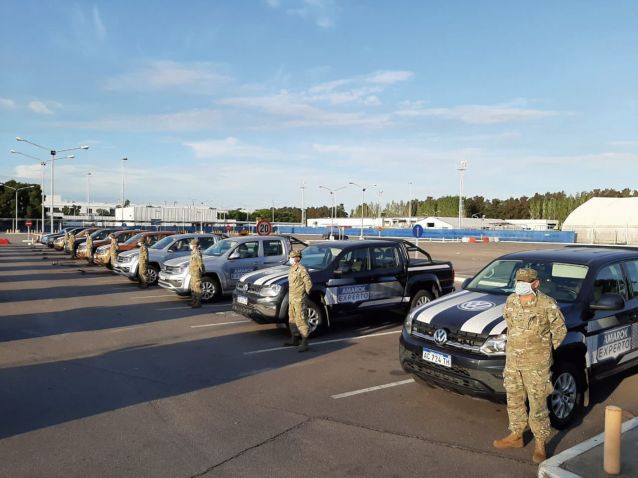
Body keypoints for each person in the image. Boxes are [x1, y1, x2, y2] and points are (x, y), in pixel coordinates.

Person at [493, 268, 567, 464]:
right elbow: (510, 324)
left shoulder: (547, 304)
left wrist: (544, 352)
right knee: (514, 400)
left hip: (536, 366)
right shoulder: (511, 300)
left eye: (526, 281)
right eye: (519, 281)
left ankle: (540, 444)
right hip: (513, 363)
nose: (521, 284)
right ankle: (516, 436)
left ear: (536, 283)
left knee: (537, 405)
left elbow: (559, 332)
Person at [284, 249, 313, 352]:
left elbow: (308, 284)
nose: (290, 259)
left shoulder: (301, 269)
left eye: (292, 257)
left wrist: (304, 296)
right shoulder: (292, 269)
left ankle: (304, 342)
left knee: (301, 319)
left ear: (297, 258)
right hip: (292, 298)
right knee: (292, 319)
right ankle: (295, 339)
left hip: (299, 299)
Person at [189, 238, 204, 308]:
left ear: (194, 245)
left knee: (197, 287)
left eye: (191, 244)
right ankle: (194, 301)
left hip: (196, 272)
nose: (190, 245)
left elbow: (200, 263)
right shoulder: (193, 252)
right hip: (193, 272)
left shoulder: (197, 253)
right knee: (193, 287)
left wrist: (200, 271)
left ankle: (198, 303)